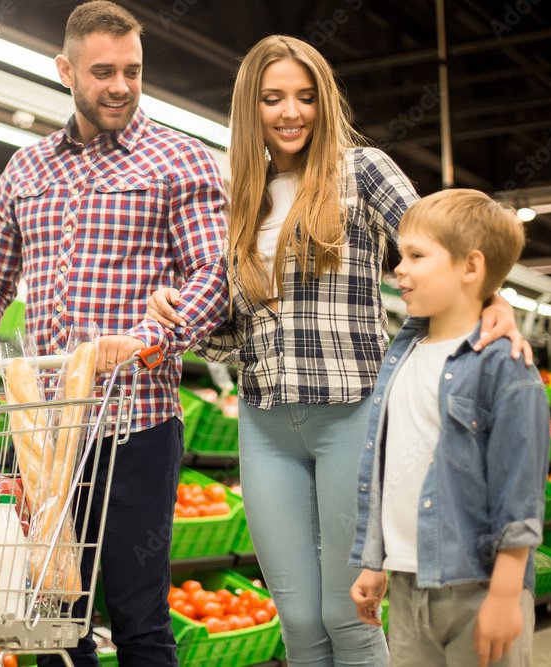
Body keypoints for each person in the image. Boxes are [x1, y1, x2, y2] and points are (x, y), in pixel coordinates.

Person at [145, 35, 527, 666]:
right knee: (296, 616)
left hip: (352, 414)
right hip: (266, 424)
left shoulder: (363, 170)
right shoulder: (243, 194)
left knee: (346, 613)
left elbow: (439, 242)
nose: (290, 112)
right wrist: (176, 320)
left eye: (304, 97)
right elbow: (239, 334)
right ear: (252, 108)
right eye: (272, 99)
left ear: (324, 102)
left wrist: (492, 297)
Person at [0, 2, 229, 664]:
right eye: (103, 71)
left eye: (132, 72)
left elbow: (214, 273)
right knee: (57, 615)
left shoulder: (180, 161)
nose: (119, 86)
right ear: (66, 70)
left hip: (134, 425)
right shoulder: (27, 168)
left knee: (139, 613)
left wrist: (153, 338)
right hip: (45, 434)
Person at [348, 189, 548, 667]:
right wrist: (374, 561)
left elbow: (519, 491)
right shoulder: (403, 354)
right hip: (408, 586)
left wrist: (505, 592)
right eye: (400, 255)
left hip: (478, 584)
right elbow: (387, 465)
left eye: (417, 255)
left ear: (471, 267)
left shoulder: (506, 368)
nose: (400, 268)